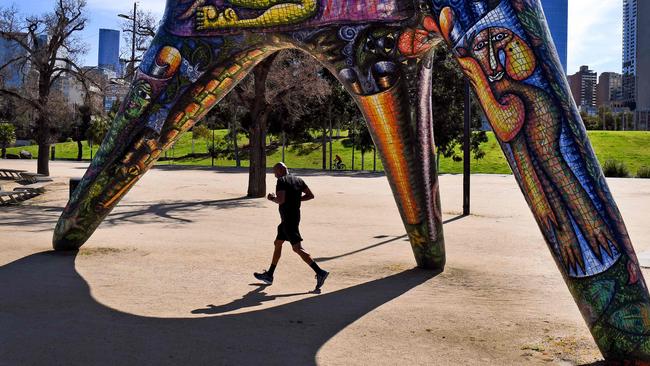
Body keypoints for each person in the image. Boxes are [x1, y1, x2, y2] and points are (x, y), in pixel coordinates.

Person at [254, 162, 329, 291]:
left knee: (297, 248)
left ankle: (320, 272)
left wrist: (272, 198)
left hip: (288, 220)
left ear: (280, 170)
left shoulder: (282, 181)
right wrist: (295, 199)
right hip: (290, 218)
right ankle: (270, 275)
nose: (274, 174)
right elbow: (310, 195)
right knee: (278, 243)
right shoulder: (298, 180)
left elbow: (281, 200)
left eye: (274, 171)